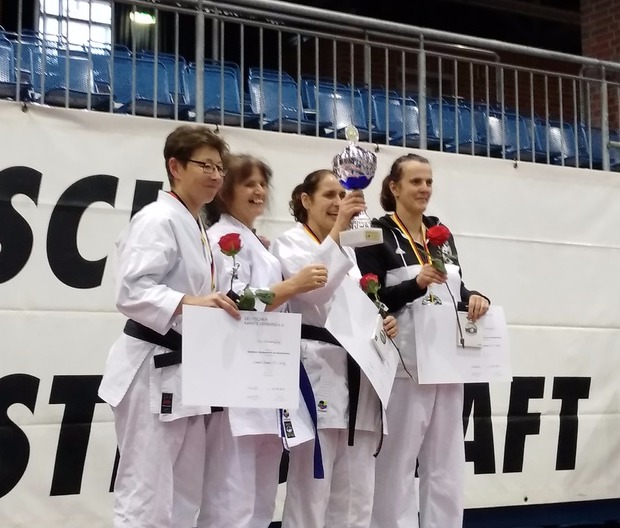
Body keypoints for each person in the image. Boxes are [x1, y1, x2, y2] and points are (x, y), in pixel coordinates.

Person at [98, 125, 240, 528]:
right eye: (205, 166)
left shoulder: (195, 224)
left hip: (187, 371)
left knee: (184, 494)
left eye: (219, 168)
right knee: (147, 492)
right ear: (175, 167)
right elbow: (131, 290)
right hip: (152, 366)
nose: (215, 175)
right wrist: (191, 302)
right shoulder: (158, 218)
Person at [355, 153, 490, 528]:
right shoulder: (377, 234)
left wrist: (475, 298)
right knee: (397, 462)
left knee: (447, 464)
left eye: (429, 181)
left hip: (448, 361)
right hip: (405, 367)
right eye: (416, 181)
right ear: (394, 187)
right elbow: (372, 299)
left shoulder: (439, 233)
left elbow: (454, 289)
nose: (424, 188)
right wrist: (415, 285)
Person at [197, 154, 329, 528]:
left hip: (266, 379)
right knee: (231, 496)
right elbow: (231, 302)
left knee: (261, 497)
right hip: (236, 382)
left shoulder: (254, 241)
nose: (258, 191)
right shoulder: (223, 239)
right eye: (248, 183)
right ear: (225, 191)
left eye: (262, 184)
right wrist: (291, 286)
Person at [271, 169, 398, 528]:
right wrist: (341, 229)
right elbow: (314, 292)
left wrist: (381, 322)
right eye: (329, 195)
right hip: (317, 370)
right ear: (306, 200)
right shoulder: (290, 243)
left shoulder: (351, 253)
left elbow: (354, 308)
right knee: (312, 491)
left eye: (342, 196)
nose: (338, 203)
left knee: (357, 493)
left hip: (359, 374)